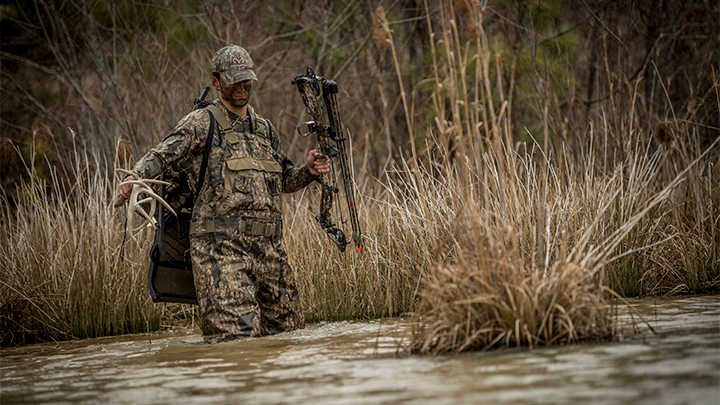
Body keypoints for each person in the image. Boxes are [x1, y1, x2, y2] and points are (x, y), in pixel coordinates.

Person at [119, 45, 329, 343]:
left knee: (288, 337)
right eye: (234, 81)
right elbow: (161, 154)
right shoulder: (201, 123)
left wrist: (308, 171)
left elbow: (284, 180)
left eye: (247, 80)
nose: (243, 87)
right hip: (220, 252)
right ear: (217, 82)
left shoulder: (264, 130)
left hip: (270, 251)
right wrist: (135, 176)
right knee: (235, 343)